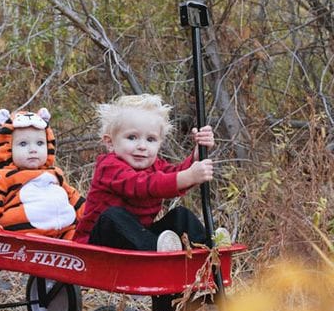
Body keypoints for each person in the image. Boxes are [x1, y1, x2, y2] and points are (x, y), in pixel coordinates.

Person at [73, 94, 230, 252]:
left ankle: (208, 249)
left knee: (181, 215)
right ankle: (157, 251)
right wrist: (189, 176)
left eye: (150, 139)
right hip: (95, 248)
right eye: (132, 137)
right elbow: (142, 185)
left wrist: (196, 156)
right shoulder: (109, 166)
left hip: (137, 242)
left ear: (159, 143)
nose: (142, 146)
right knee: (112, 216)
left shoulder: (155, 165)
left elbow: (174, 173)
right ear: (110, 142)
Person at [0, 107, 85, 239]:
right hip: (24, 236)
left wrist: (91, 213)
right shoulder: (3, 176)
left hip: (64, 232)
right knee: (29, 242)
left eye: (39, 143)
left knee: (83, 238)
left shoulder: (55, 174)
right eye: (23, 144)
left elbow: (74, 198)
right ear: (8, 148)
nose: (33, 149)